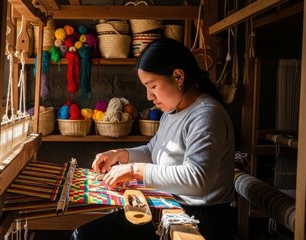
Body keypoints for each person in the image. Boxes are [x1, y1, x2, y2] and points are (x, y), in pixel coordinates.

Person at [70, 38, 235, 240]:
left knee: (86, 237)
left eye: (153, 86)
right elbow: (153, 151)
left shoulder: (206, 115)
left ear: (178, 76)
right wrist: (119, 155)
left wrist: (134, 171)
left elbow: (198, 179)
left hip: (198, 220)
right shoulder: (172, 112)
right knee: (84, 235)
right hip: (169, 208)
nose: (149, 96)